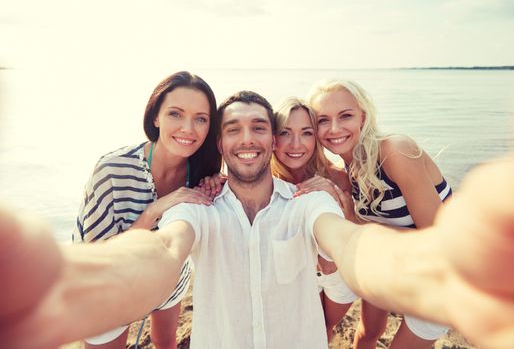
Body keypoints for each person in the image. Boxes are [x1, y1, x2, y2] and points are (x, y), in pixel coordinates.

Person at [1, 91, 514, 349]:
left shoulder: (309, 200)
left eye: (257, 129)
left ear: (271, 141)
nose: (247, 138)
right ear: (219, 145)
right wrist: (74, 282)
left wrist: (424, 270)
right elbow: (163, 252)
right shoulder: (197, 204)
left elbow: (350, 244)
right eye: (233, 130)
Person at [73, 71, 222, 348]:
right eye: (175, 114)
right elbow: (91, 258)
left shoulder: (203, 171)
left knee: (165, 343)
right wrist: (153, 212)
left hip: (168, 278)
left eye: (200, 119)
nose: (188, 128)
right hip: (107, 285)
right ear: (156, 117)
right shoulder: (112, 170)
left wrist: (216, 185)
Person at [307, 79, 452, 348]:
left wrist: (354, 222)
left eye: (345, 116)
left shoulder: (394, 151)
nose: (334, 128)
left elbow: (440, 241)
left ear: (362, 117)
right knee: (366, 334)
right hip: (394, 267)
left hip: (440, 279)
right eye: (322, 120)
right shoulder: (347, 170)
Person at [270, 96, 357, 341]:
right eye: (285, 132)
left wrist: (336, 199)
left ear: (316, 138)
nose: (296, 143)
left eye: (306, 133)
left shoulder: (339, 178)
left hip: (338, 275)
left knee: (323, 331)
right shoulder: (264, 181)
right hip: (297, 274)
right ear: (273, 138)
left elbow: (356, 232)